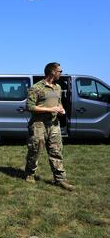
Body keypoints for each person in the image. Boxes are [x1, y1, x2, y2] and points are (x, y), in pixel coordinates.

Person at [25, 62, 75, 191]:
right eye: (60, 71)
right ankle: (30, 173)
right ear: (52, 72)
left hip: (54, 124)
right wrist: (50, 109)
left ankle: (60, 179)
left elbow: (59, 103)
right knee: (35, 150)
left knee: (56, 151)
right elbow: (29, 107)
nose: (61, 73)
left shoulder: (57, 87)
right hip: (38, 125)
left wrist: (61, 110)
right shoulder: (36, 88)